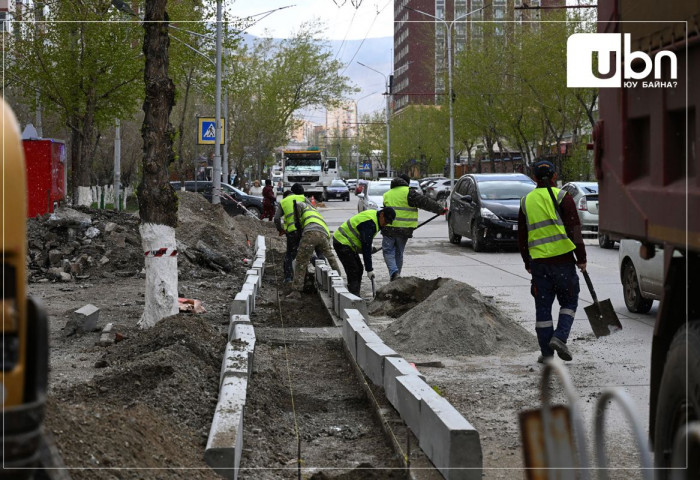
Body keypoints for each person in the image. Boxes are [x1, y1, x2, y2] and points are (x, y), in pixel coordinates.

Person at [518, 160, 587, 363]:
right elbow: (575, 231)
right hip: (564, 262)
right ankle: (560, 337)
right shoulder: (563, 198)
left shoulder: (526, 201)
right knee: (569, 301)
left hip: (539, 264)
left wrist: (527, 262)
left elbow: (522, 237)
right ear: (555, 177)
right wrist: (581, 258)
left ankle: (547, 355)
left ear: (534, 178)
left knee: (543, 308)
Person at [382, 174, 447, 281]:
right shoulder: (409, 193)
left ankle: (394, 273)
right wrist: (440, 209)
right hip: (404, 230)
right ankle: (395, 276)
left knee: (388, 251)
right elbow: (425, 202)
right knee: (399, 252)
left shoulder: (387, 194)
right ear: (407, 183)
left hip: (389, 228)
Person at [332, 207, 396, 297]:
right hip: (341, 242)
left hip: (347, 243)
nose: (385, 224)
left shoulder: (374, 217)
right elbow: (366, 246)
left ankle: (354, 294)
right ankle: (353, 297)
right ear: (382, 215)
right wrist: (369, 269)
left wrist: (370, 247)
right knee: (354, 270)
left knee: (359, 268)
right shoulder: (370, 223)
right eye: (386, 221)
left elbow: (366, 239)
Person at [286, 196, 340, 299]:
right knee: (330, 257)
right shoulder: (314, 210)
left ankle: (297, 290)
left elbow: (297, 216)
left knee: (301, 261)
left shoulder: (301, 205)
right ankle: (338, 279)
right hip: (324, 234)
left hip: (310, 232)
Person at [274, 186, 306, 283]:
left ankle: (288, 277)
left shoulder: (283, 202)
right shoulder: (303, 198)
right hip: (304, 230)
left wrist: (281, 229)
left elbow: (276, 219)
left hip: (292, 232)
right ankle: (307, 274)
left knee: (290, 254)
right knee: (306, 251)